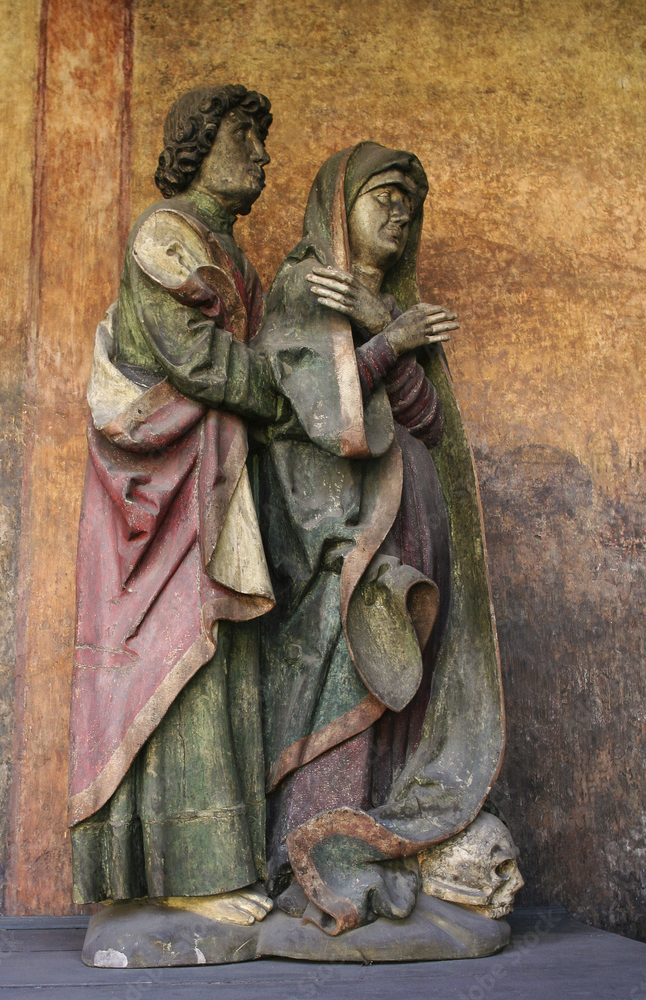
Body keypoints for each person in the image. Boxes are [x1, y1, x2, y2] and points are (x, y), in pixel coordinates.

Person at [251, 142, 505, 935]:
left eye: (409, 204)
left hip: (408, 525)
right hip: (334, 539)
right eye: (382, 196)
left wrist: (391, 335)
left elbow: (426, 422)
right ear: (338, 206)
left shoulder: (395, 303)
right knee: (340, 684)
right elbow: (304, 416)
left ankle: (377, 839)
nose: (399, 213)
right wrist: (386, 336)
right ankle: (316, 854)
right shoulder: (304, 288)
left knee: (401, 698)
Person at [68, 85, 282, 926]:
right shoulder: (165, 234)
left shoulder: (236, 259)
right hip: (156, 498)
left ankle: (217, 857)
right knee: (173, 664)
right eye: (244, 136)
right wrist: (294, 387)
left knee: (221, 666)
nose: (260, 155)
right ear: (194, 145)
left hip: (214, 488)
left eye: (263, 139)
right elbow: (197, 362)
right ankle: (180, 869)